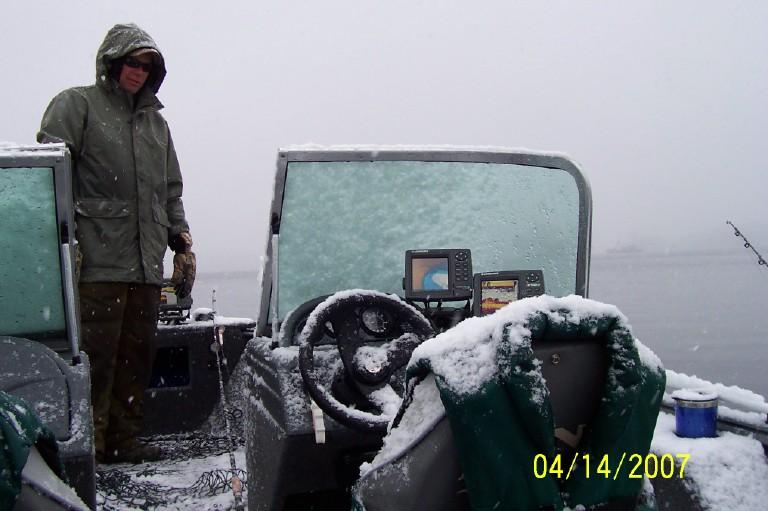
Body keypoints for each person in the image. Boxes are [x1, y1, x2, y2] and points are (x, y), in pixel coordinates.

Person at [37, 23, 196, 464]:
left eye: (147, 66)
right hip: (96, 263)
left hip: (146, 266)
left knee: (136, 358)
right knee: (96, 358)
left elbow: (171, 191)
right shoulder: (77, 105)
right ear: (112, 62)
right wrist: (62, 241)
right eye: (132, 62)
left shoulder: (157, 126)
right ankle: (86, 449)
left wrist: (182, 243)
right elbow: (50, 176)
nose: (138, 71)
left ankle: (123, 441)